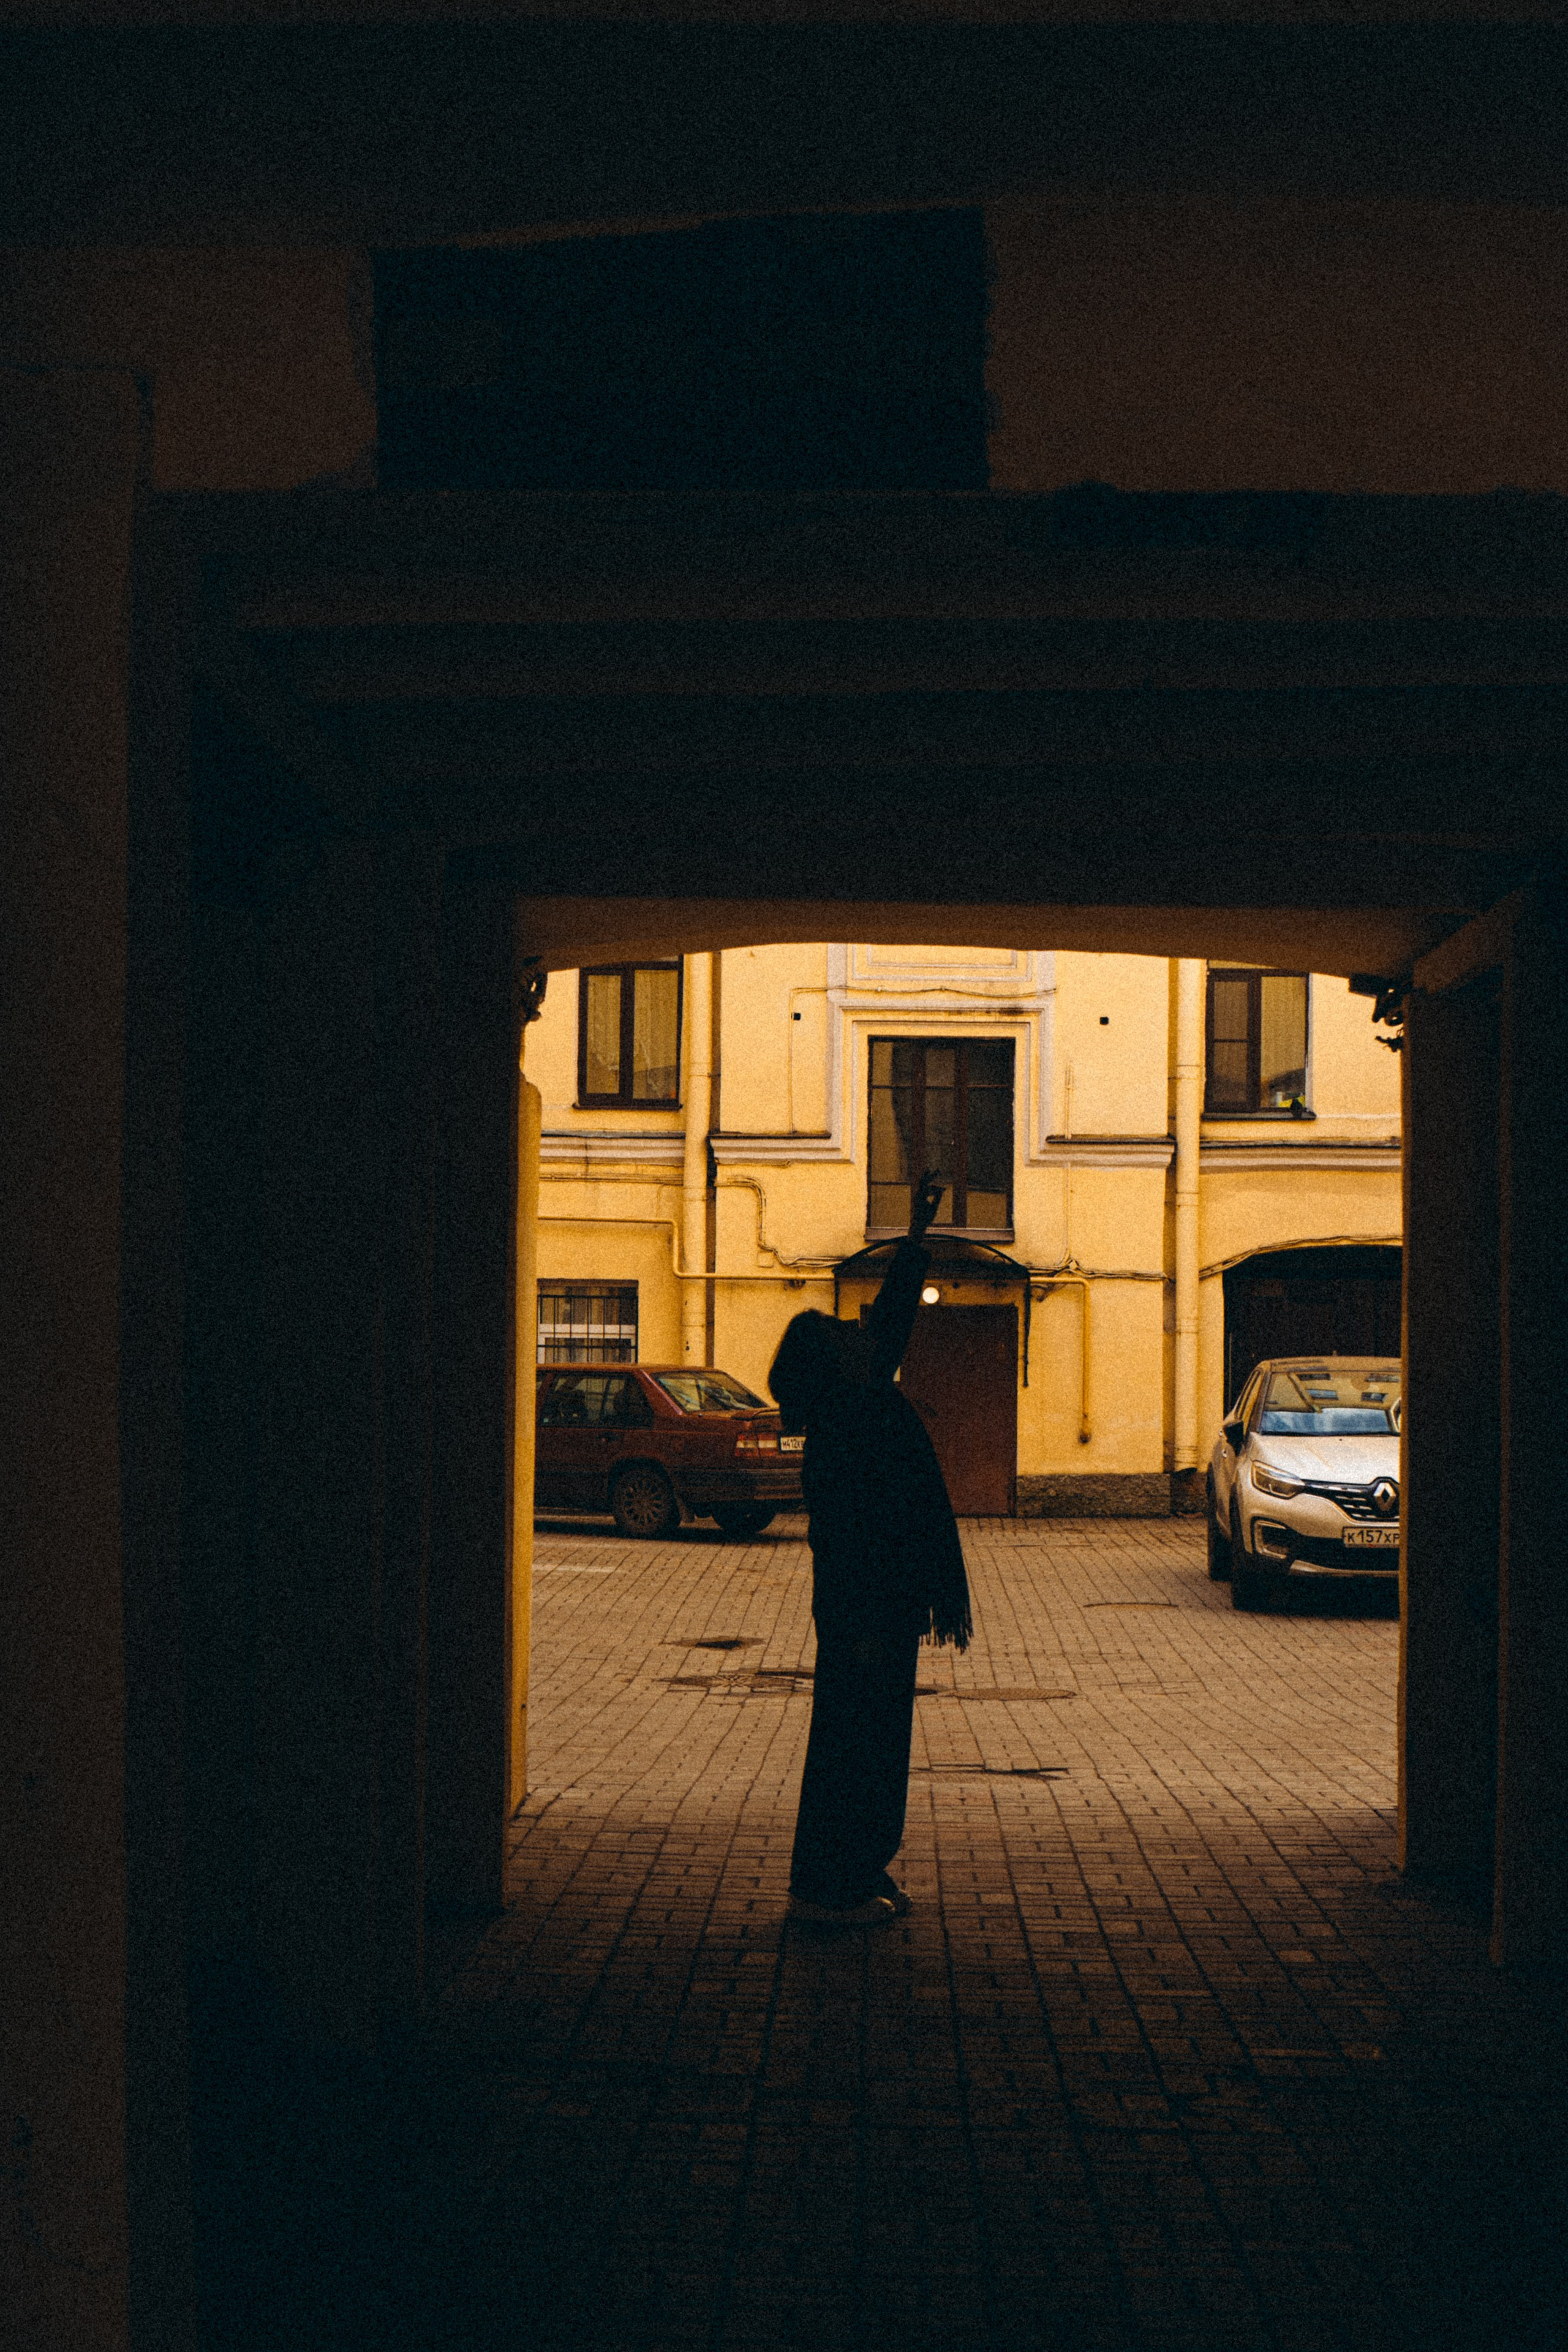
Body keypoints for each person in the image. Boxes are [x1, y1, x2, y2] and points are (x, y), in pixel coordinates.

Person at [767, 1169, 973, 1928]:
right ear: (833, 1368)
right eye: (841, 1334)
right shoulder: (848, 1431)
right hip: (863, 1619)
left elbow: (889, 1321)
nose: (858, 1333)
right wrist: (861, 1630)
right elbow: (852, 1542)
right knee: (854, 1750)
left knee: (874, 1748)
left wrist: (916, 1235)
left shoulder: (857, 1402)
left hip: (880, 1613)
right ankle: (829, 1888)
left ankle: (858, 1872)